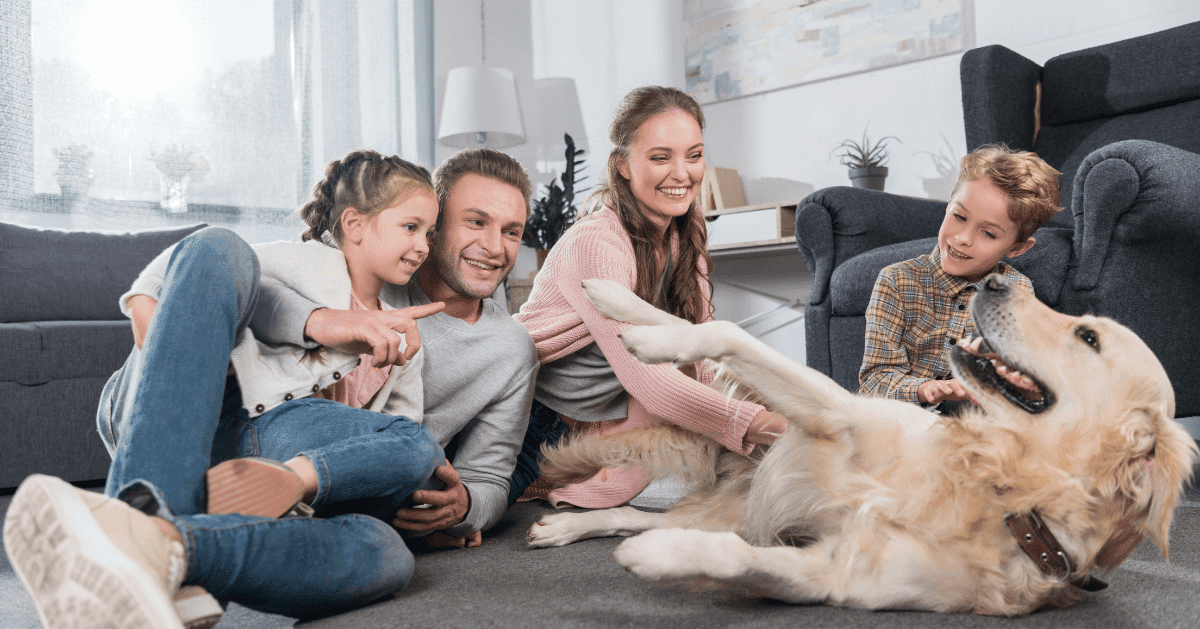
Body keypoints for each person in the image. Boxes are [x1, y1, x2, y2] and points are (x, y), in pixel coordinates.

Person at [5, 150, 449, 629]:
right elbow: (163, 283)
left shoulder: (405, 330)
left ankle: (163, 544)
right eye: (411, 227)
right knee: (219, 245)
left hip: (280, 449)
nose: (424, 245)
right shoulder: (298, 261)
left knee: (388, 547)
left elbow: (400, 441)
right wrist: (182, 358)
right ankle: (150, 510)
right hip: (210, 410)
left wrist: (438, 495)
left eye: (429, 233)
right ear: (355, 224)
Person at [507, 85, 789, 509]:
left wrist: (759, 414)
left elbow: (703, 350)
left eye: (693, 156)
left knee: (731, 420)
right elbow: (648, 378)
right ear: (623, 165)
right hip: (534, 422)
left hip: (605, 414)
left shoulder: (681, 237)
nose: (682, 174)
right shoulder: (596, 242)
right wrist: (754, 425)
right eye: (661, 157)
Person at [266, 148, 539, 549]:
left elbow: (490, 479)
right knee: (413, 448)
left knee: (391, 539)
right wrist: (326, 321)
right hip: (282, 436)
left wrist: (464, 508)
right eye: (476, 222)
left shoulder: (512, 349)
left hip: (377, 487)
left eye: (511, 231)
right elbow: (253, 287)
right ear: (434, 226)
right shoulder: (367, 273)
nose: (495, 247)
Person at [858, 144, 1062, 409]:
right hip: (902, 425)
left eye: (988, 234)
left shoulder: (1017, 290)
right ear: (947, 207)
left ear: (1017, 248)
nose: (963, 239)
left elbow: (1022, 380)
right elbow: (873, 382)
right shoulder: (896, 281)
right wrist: (925, 390)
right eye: (959, 216)